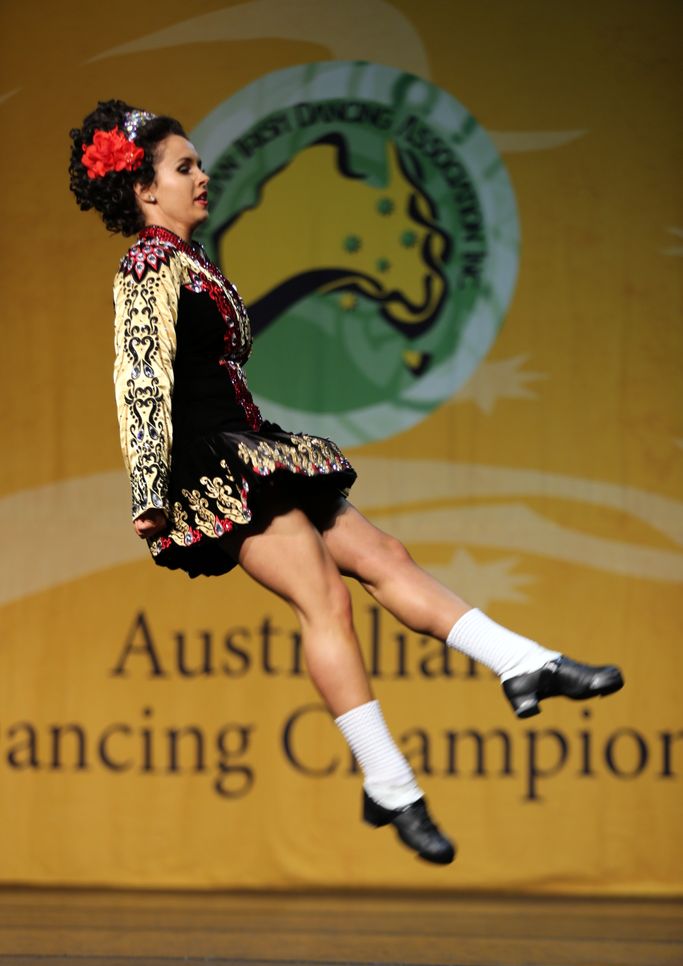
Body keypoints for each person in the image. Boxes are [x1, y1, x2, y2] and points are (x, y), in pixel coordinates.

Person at [69, 100, 624, 866]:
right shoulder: (146, 266)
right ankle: (389, 783)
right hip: (213, 466)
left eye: (198, 163)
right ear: (142, 190)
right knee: (325, 599)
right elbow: (139, 377)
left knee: (385, 556)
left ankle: (523, 663)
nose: (203, 176)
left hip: (253, 448)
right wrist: (149, 493)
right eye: (184, 167)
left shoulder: (187, 260)